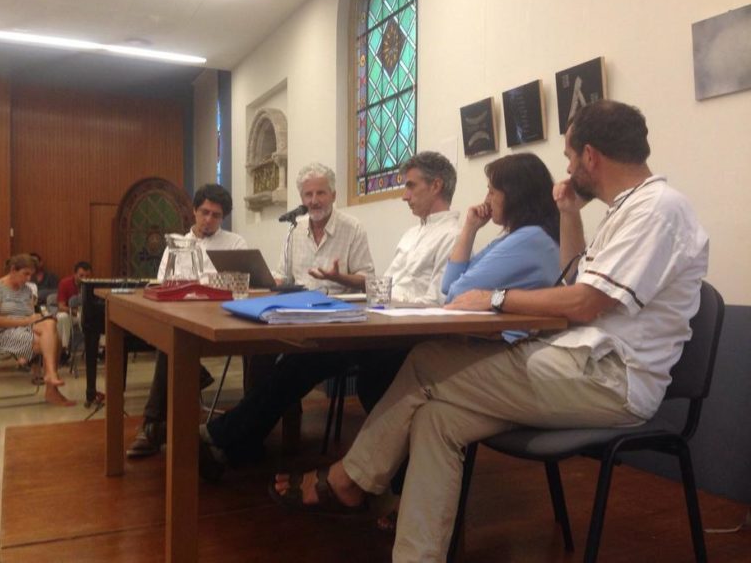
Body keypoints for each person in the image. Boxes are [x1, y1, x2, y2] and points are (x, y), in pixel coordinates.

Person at [271, 100, 709, 563]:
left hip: (612, 380)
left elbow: (584, 304)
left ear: (591, 157)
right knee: (436, 419)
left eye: (569, 155)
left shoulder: (656, 209)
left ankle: (348, 480)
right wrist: (570, 212)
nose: (566, 165)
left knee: (425, 360)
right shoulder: (627, 210)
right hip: (577, 367)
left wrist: (496, 298)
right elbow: (576, 283)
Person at [198, 152, 461, 477]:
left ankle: (225, 436)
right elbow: (382, 286)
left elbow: (433, 299)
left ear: (436, 186)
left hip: (379, 329)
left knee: (299, 364)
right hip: (345, 317)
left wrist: (344, 282)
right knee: (274, 359)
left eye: (410, 186)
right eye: (308, 194)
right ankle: (240, 442)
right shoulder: (411, 234)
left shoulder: (453, 235)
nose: (404, 194)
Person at [126, 184, 247, 457]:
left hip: (221, 317)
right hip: (182, 316)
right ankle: (155, 421)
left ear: (223, 217)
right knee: (171, 338)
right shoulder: (175, 246)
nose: (209, 219)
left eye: (216, 215)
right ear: (194, 211)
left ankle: (154, 426)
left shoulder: (235, 243)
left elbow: (238, 285)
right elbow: (162, 283)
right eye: (204, 212)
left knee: (171, 345)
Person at [0, 254, 75, 406]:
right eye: (25, 274)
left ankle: (50, 376)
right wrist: (27, 320)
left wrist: (39, 318)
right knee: (54, 341)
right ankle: (51, 388)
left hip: (24, 330)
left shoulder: (26, 290)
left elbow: (29, 316)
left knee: (50, 325)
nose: (28, 279)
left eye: (30, 275)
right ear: (13, 270)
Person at [273, 162, 374, 293]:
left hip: (338, 308)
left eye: (320, 193)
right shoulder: (295, 229)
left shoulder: (353, 228)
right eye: (308, 194)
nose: (314, 201)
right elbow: (282, 277)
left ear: (333, 196)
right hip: (300, 308)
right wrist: (261, 281)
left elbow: (369, 281)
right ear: (302, 199)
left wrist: (340, 278)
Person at [55, 261, 92, 362]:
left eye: (87, 276)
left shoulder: (92, 284)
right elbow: (61, 306)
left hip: (86, 314)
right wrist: (74, 311)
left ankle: (101, 350)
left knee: (100, 317)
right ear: (75, 274)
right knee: (61, 317)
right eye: (81, 275)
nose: (85, 278)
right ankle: (64, 350)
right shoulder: (65, 283)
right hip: (69, 313)